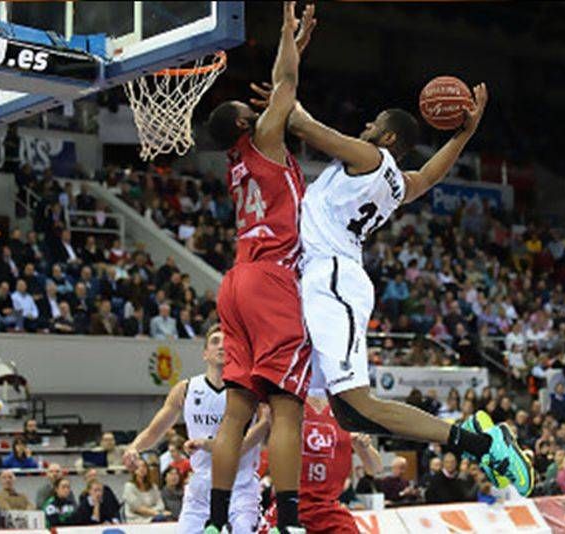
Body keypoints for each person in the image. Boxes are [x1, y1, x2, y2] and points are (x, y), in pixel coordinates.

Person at [252, 48, 530, 497]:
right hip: (330, 280)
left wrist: (284, 96)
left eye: (373, 124)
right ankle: (479, 440)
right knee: (351, 414)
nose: (365, 127)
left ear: (389, 139)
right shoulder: (397, 181)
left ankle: (485, 445)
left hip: (332, 279)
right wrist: (463, 136)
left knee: (358, 403)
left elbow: (301, 124)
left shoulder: (370, 157)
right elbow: (428, 178)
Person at [203, 4, 318, 532]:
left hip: (235, 282)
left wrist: (295, 49)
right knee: (288, 407)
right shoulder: (264, 141)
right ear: (248, 124)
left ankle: (215, 521)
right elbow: (286, 82)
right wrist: (286, 38)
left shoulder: (236, 162)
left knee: (236, 412)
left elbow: (285, 92)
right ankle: (291, 520)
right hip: (271, 278)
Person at [123, 325, 269, 533]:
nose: (221, 346)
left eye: (226, 342)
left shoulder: (250, 389)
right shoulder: (186, 389)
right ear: (205, 354)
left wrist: (211, 445)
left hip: (241, 486)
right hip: (201, 487)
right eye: (215, 342)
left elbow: (264, 426)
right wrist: (134, 448)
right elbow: (154, 431)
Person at [261, 389, 382, 533]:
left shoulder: (345, 410)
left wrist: (364, 447)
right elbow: (261, 443)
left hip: (328, 509)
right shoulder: (286, 401)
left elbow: (375, 469)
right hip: (290, 505)